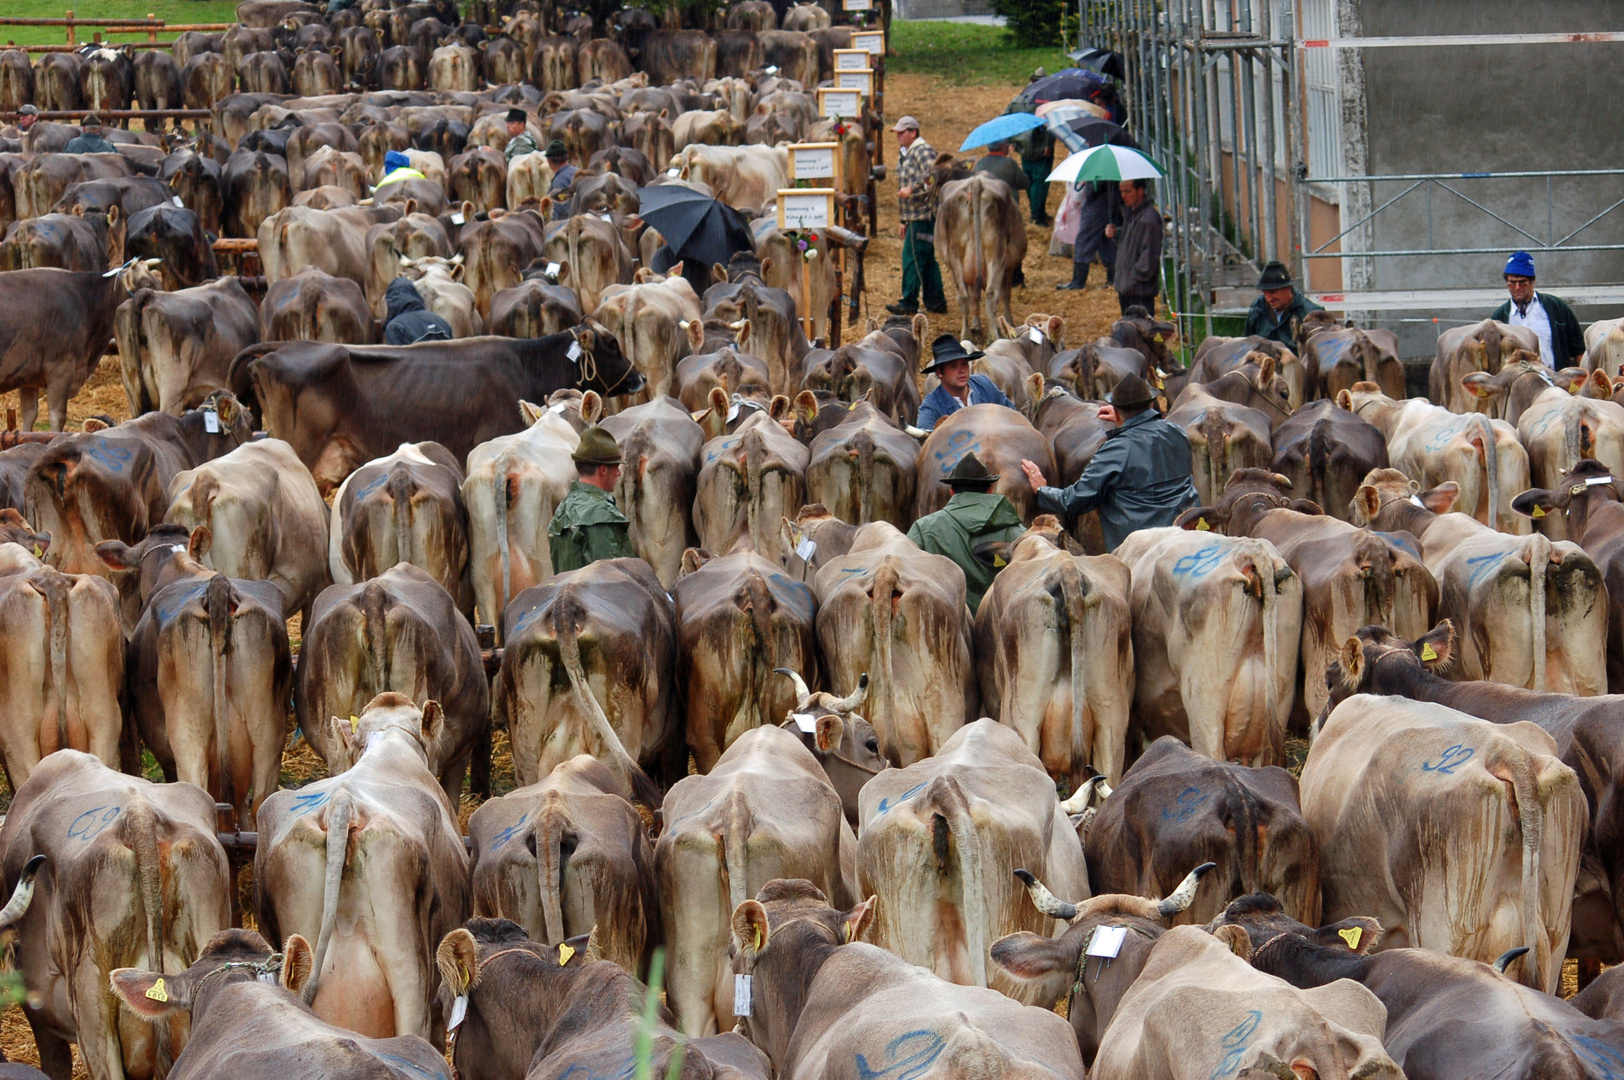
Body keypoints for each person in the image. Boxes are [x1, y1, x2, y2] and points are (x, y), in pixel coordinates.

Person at [1019, 373, 1197, 553]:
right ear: (1151, 404)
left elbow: (1075, 500)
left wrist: (1043, 490)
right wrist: (1125, 417)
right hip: (1186, 534)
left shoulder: (1116, 450)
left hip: (1142, 547)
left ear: (1117, 410)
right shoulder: (1177, 432)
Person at [907, 452, 1025, 614]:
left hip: (948, 625)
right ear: (990, 490)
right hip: (998, 628)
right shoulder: (1016, 532)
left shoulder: (923, 528)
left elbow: (905, 574)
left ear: (951, 492)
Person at [548, 426, 635, 574]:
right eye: (616, 467)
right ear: (603, 470)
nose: (619, 473)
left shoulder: (563, 508)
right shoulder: (602, 513)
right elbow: (613, 578)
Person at [887, 115, 947, 317]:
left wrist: (912, 190)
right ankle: (935, 301)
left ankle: (909, 302)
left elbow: (934, 178)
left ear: (913, 132)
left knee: (912, 257)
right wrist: (903, 220)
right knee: (927, 259)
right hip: (913, 215)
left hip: (924, 214)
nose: (898, 136)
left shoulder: (924, 151)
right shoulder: (905, 153)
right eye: (897, 133)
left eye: (902, 132)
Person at [1489, 250, 1585, 367]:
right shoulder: (1500, 317)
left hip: (1553, 379)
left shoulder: (1556, 308)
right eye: (1512, 283)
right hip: (1517, 382)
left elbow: (1578, 349)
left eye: (1522, 282)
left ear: (1532, 281)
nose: (1517, 287)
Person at [916, 333, 1015, 431]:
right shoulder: (931, 407)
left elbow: (1011, 413)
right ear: (939, 372)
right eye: (953, 366)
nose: (962, 370)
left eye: (964, 364)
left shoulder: (984, 384)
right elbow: (924, 441)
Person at [1109, 178, 1162, 316]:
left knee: (1140, 333)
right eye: (1121, 191)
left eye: (1127, 191)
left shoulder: (1149, 220)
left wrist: (1134, 276)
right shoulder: (1131, 214)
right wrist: (1116, 233)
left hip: (1139, 293)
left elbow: (1149, 256)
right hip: (1128, 289)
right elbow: (1129, 245)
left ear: (1140, 191)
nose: (1123, 196)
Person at [1242, 261, 1323, 351]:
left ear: (1287, 289)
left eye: (1272, 292)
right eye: (1265, 293)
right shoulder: (1257, 310)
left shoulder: (1310, 314)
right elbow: (1246, 346)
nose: (1269, 299)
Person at [1056, 179, 1122, 291]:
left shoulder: (1100, 166)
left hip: (1099, 200)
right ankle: (1113, 279)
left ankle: (1078, 281)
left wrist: (1090, 185)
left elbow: (1095, 187)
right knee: (1106, 238)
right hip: (1112, 197)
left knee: (1085, 238)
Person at [382, 277, 453, 345]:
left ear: (391, 301)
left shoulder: (395, 327)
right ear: (415, 294)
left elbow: (396, 356)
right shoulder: (442, 322)